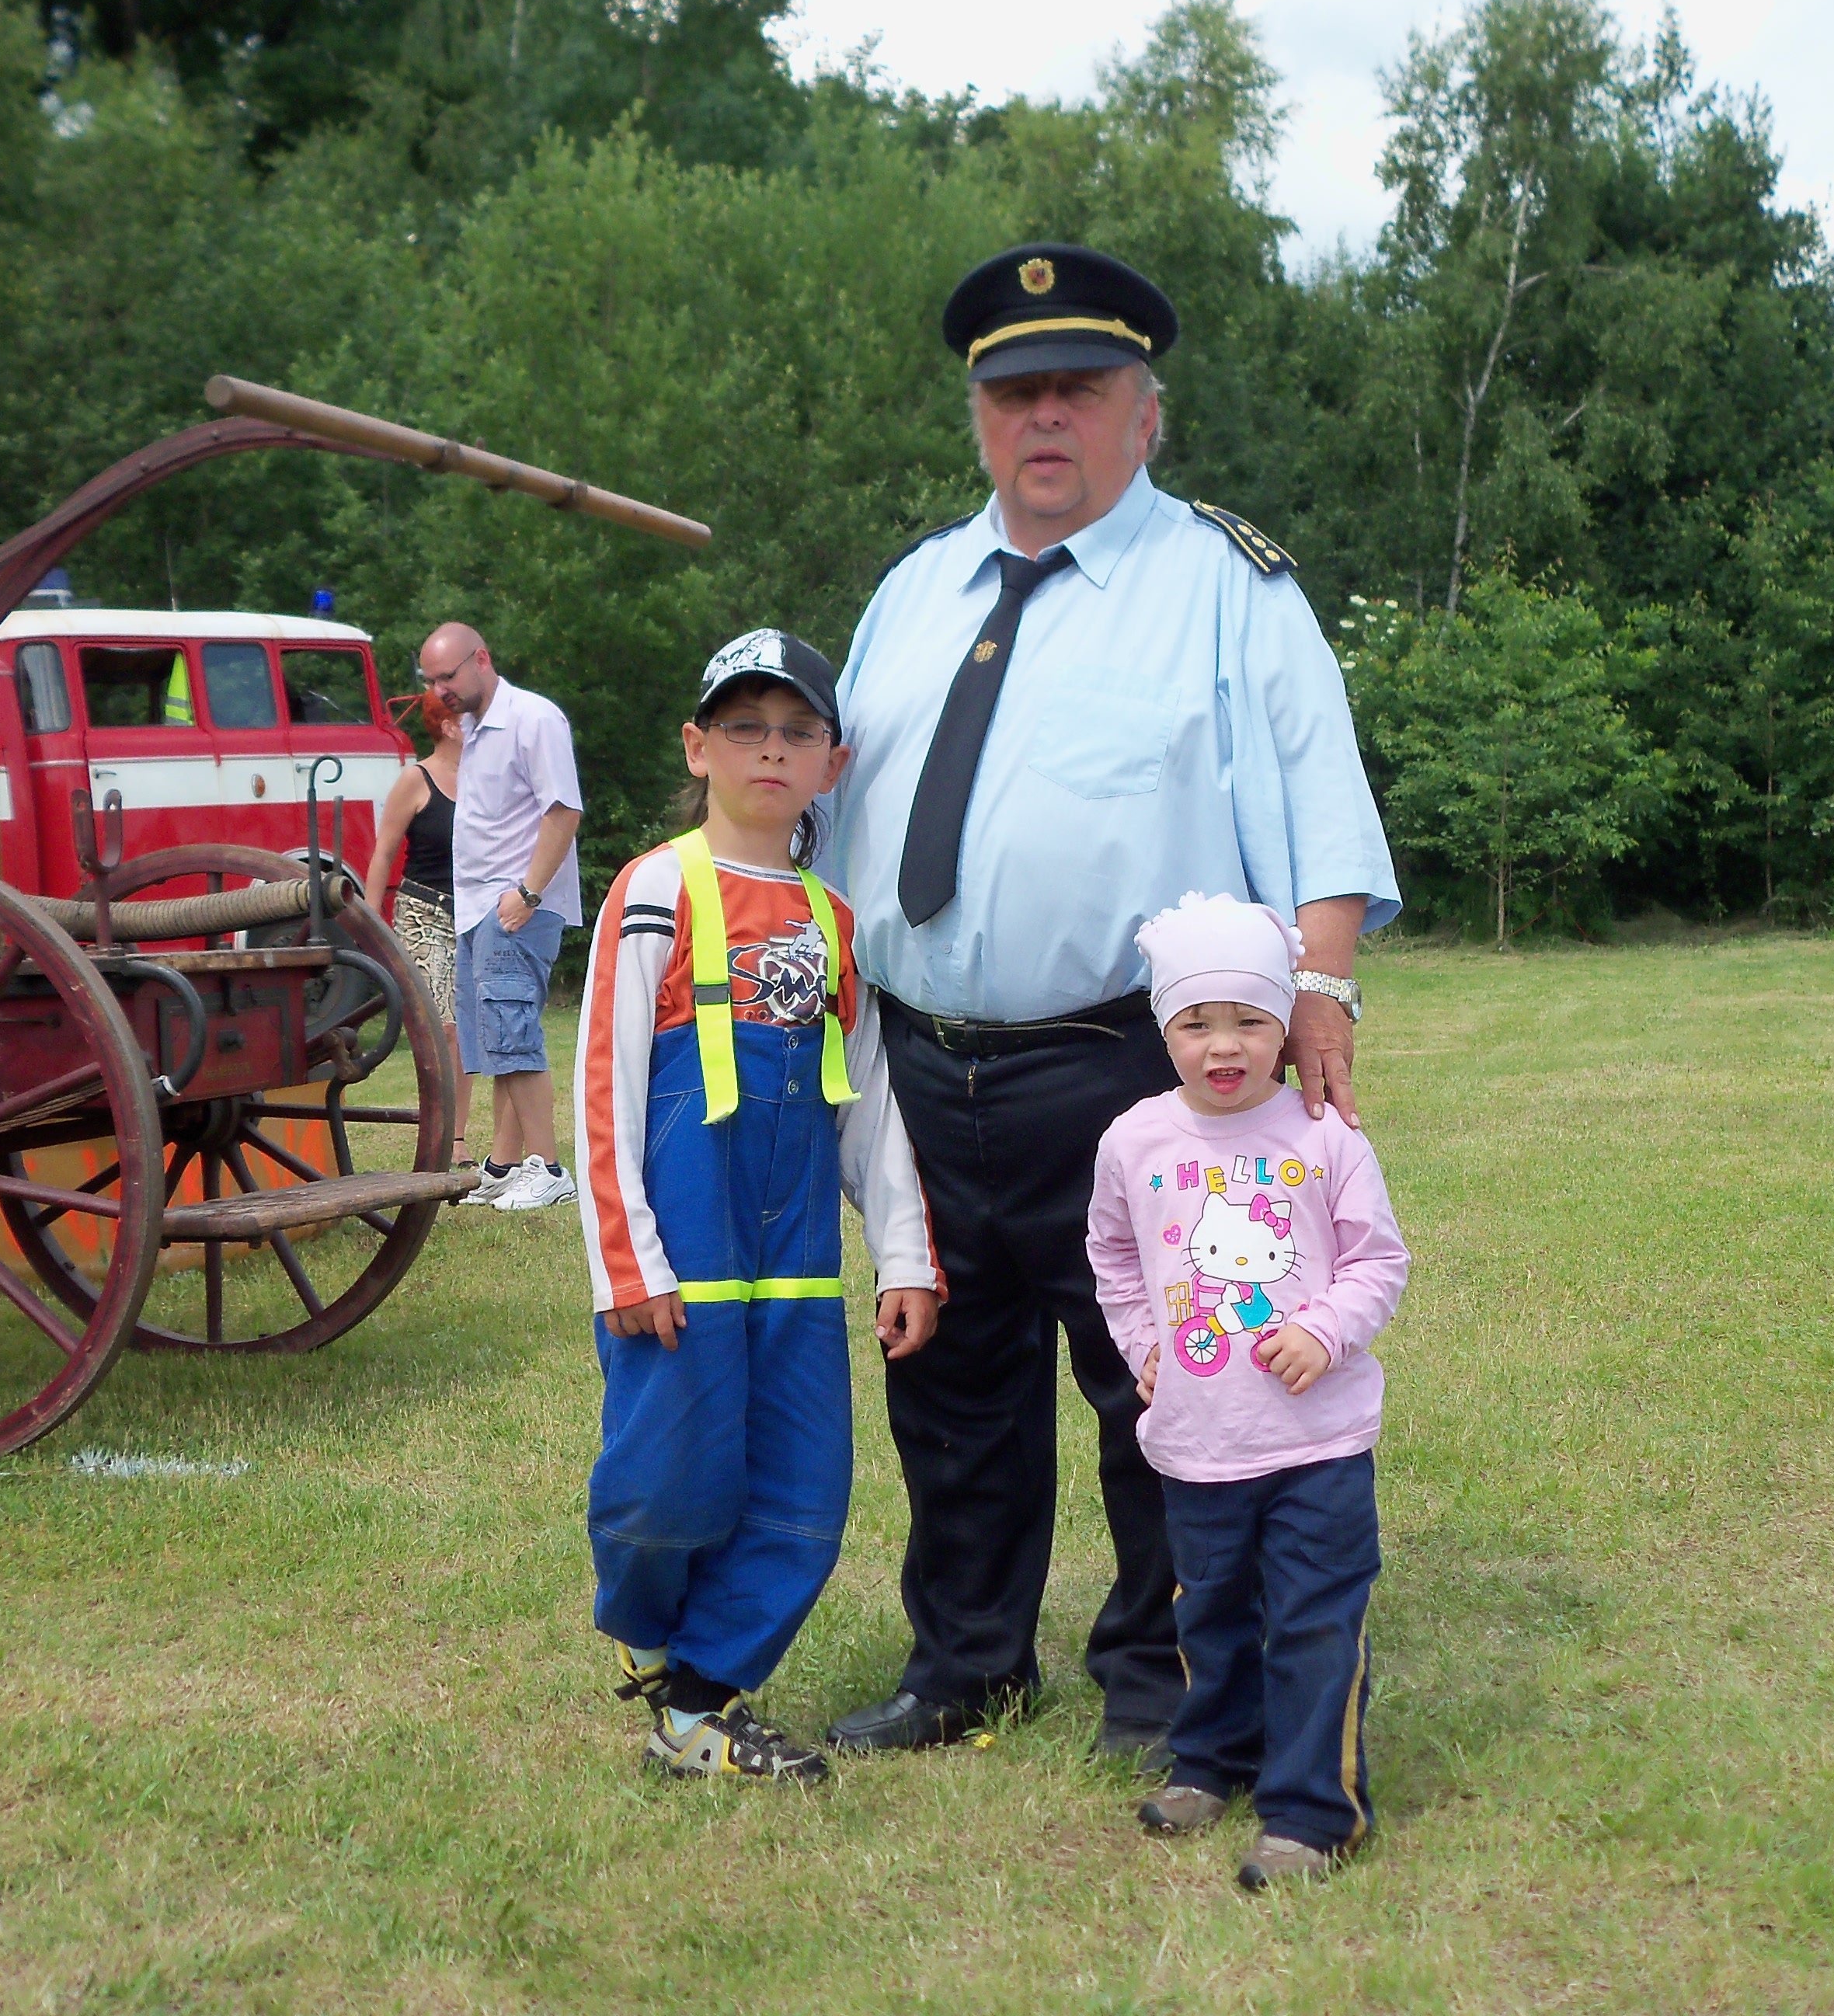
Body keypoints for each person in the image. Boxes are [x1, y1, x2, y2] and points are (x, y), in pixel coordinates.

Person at [822, 242, 1401, 1764]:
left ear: (1148, 413)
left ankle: (1167, 1676)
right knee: (946, 1384)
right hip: (918, 1064)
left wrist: (1323, 988)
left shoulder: (1226, 588)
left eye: (1079, 388)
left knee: (1174, 1379)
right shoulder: (912, 593)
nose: (1044, 419)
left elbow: (1321, 803)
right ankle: (966, 1667)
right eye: (1014, 393)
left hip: (1132, 1069)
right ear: (978, 417)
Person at [572, 629, 943, 1781]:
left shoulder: (836, 923)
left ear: (834, 763)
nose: (771, 752)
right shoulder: (654, 889)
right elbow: (606, 1082)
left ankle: (699, 1702)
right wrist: (627, 1260)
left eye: (797, 733)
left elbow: (872, 1107)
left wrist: (904, 1256)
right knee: (667, 1479)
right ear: (698, 746)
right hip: (683, 1258)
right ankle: (649, 1633)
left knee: (803, 1489)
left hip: (794, 1267)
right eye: (745, 728)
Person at [1088, 893, 1407, 1890]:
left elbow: (1377, 1260)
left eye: (1250, 1021)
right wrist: (1143, 1344)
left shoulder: (1324, 1135)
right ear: (1164, 1029)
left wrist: (1323, 1329)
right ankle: (1209, 1762)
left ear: (1284, 1026)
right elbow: (1114, 1257)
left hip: (1318, 1443)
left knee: (1314, 1619)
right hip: (1199, 1441)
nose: (1224, 1046)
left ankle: (1314, 1812)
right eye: (1196, 1023)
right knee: (1210, 1612)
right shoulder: (1134, 1140)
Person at [416, 622, 583, 1213]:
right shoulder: (475, 731)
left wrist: (529, 892)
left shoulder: (534, 719)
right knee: (494, 1040)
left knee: (513, 1035)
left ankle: (550, 1168)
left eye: (448, 676)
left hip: (514, 905)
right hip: (479, 907)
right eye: (431, 680)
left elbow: (563, 811)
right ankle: (507, 1167)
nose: (440, 690)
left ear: (481, 659)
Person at [368, 689, 470, 1165]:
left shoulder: (485, 779)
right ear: (449, 725)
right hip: (423, 912)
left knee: (467, 1032)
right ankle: (441, 1138)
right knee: (444, 1029)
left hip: (472, 913)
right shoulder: (416, 778)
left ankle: (457, 1139)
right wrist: (370, 927)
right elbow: (384, 851)